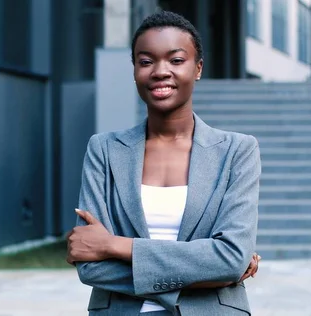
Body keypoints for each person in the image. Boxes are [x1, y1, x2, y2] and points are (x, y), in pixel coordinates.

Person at [66, 11, 262, 316]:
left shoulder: (237, 151)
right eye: (146, 61)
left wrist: (115, 246)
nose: (160, 71)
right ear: (134, 71)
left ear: (198, 68)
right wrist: (213, 275)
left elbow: (230, 258)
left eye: (176, 60)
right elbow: (91, 267)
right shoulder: (104, 150)